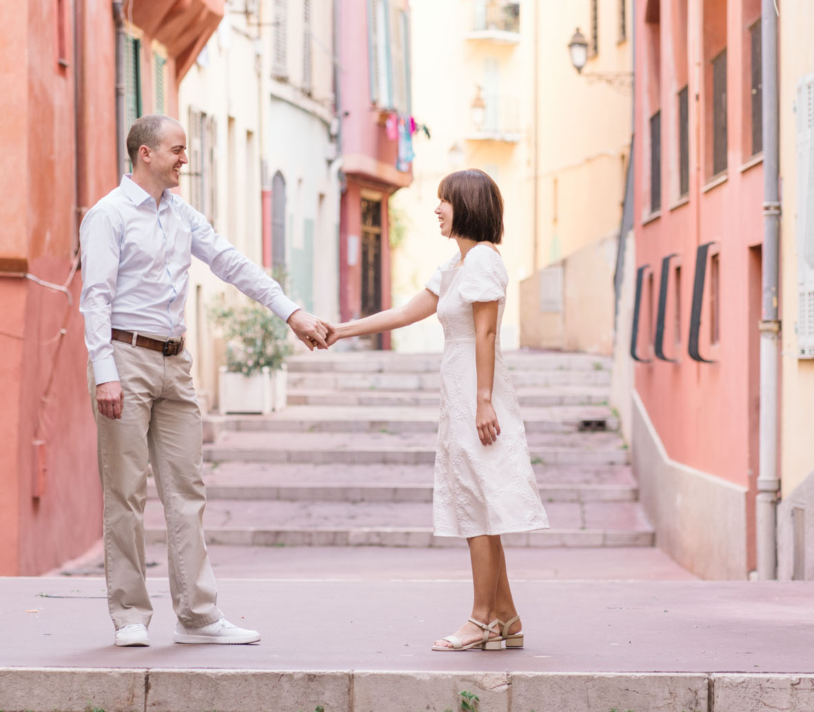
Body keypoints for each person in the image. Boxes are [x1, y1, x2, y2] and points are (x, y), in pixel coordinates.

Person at [80, 114, 334, 647]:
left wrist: (292, 314)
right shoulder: (108, 215)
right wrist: (104, 374)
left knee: (186, 491)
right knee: (124, 493)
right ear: (144, 153)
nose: (184, 159)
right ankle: (129, 615)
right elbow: (96, 299)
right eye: (176, 149)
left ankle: (198, 616)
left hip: (177, 361)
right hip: (125, 360)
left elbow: (230, 262)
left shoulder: (181, 214)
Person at [329, 169, 547, 652]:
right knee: (476, 502)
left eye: (444, 201)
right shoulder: (456, 265)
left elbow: (486, 333)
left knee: (477, 506)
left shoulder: (484, 261)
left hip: (476, 390)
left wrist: (484, 401)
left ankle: (481, 618)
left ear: (466, 205)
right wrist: (343, 330)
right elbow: (408, 312)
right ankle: (506, 618)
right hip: (461, 390)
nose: (437, 209)